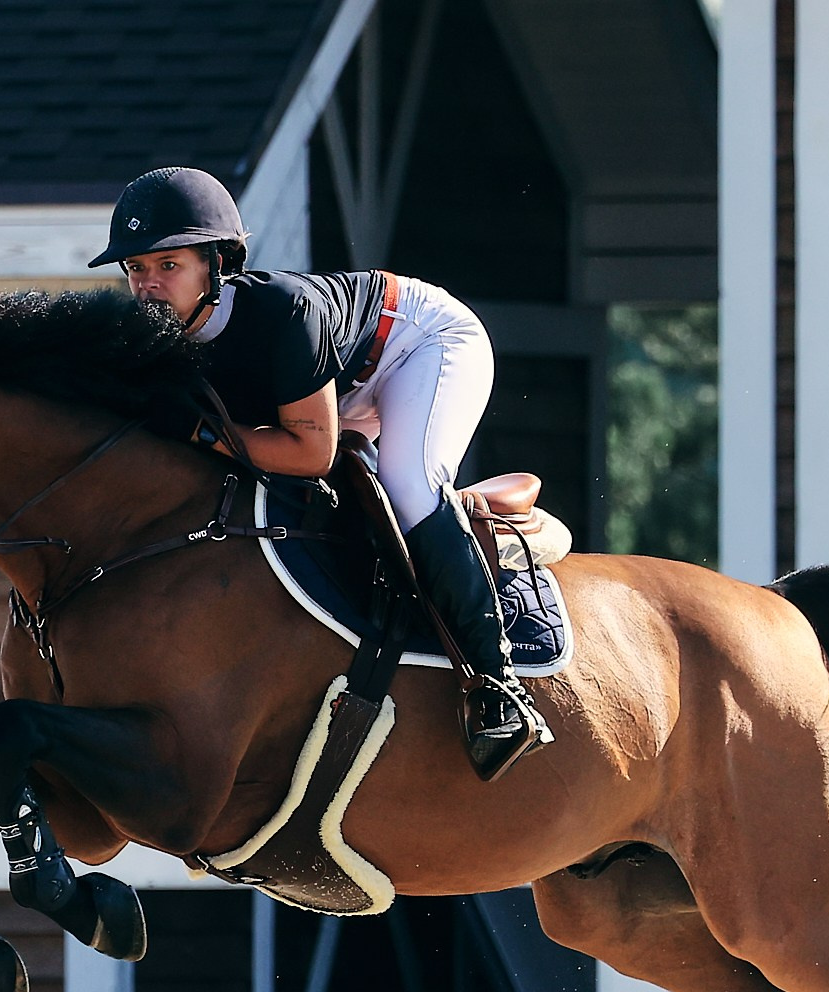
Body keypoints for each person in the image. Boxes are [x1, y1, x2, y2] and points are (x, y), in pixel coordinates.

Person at [90, 166, 551, 782]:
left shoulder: (283, 312)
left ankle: (497, 688)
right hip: (328, 388)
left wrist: (206, 434)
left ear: (216, 263)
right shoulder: (157, 343)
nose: (147, 286)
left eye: (167, 265)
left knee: (408, 485)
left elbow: (310, 453)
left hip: (419, 342)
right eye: (136, 270)